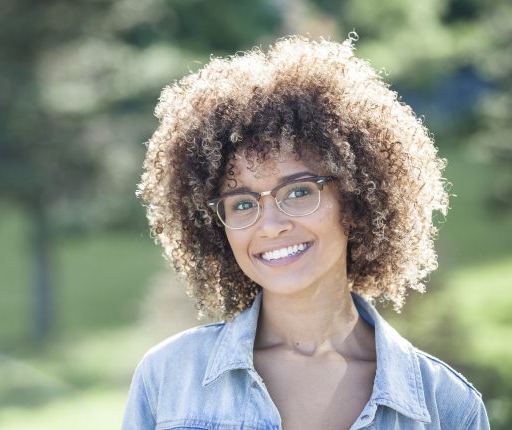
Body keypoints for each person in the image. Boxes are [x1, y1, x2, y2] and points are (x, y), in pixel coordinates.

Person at [122, 35, 489, 429]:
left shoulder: (446, 407)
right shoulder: (169, 378)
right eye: (243, 203)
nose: (272, 225)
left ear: (355, 197)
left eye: (298, 192)